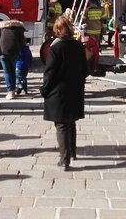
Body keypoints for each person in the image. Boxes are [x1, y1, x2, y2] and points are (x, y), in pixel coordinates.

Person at [41, 16, 88, 171]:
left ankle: (64, 159)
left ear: (57, 30)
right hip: (75, 88)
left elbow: (50, 72)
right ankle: (72, 152)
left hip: (58, 91)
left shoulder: (55, 48)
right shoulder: (78, 46)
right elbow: (85, 69)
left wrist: (44, 89)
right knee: (71, 121)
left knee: (61, 124)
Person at [0, 19, 25, 99]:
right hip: (14, 51)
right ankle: (12, 90)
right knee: (12, 70)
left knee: (6, 71)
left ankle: (10, 91)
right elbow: (22, 42)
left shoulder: (2, 28)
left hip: (2, 50)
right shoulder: (19, 29)